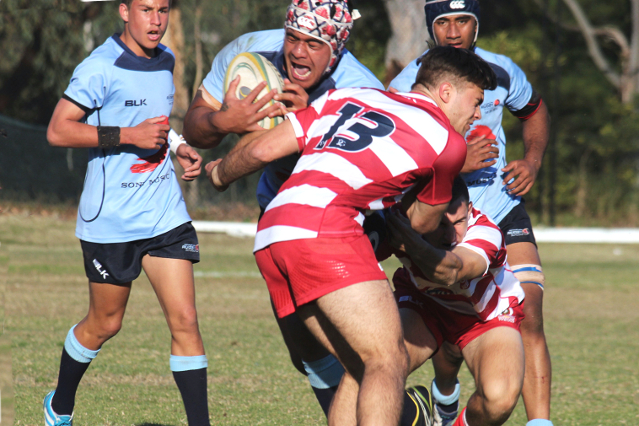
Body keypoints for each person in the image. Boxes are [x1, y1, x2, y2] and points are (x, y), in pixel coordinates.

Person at [206, 46, 496, 426]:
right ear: (445, 92)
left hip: (273, 229)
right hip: (326, 229)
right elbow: (423, 224)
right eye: (475, 102)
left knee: (362, 366)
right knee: (388, 359)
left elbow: (261, 149)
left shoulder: (348, 97)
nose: (477, 115)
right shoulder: (447, 141)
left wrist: (219, 174)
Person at [182, 0, 387, 416]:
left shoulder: (362, 91)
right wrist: (225, 122)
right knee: (304, 349)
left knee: (363, 353)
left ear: (337, 49)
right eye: (293, 38)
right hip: (279, 219)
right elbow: (195, 125)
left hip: (345, 223)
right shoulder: (250, 53)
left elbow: (369, 180)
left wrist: (308, 125)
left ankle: (403, 412)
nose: (297, 52)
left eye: (313, 44)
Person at [43, 0, 209, 425]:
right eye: (146, 9)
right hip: (111, 220)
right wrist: (128, 136)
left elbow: (155, 123)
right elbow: (59, 129)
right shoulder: (99, 67)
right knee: (105, 323)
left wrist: (177, 146)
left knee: (186, 320)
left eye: (163, 10)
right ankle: (60, 404)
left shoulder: (166, 61)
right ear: (123, 10)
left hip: (163, 212)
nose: (156, 20)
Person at [388, 1, 552, 425]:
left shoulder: (501, 70)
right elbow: (400, 156)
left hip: (499, 210)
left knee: (529, 310)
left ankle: (540, 422)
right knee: (445, 317)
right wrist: (457, 165)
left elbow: (534, 111)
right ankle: (444, 393)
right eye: (443, 22)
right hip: (441, 214)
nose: (454, 31)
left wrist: (531, 161)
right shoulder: (410, 83)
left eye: (464, 20)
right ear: (431, 27)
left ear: (476, 24)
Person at [380, 177, 526, 426]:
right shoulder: (400, 219)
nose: (451, 235)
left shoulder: (486, 232)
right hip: (423, 302)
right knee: (377, 368)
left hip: (484, 318)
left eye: (459, 221)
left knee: (499, 400)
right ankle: (416, 413)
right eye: (440, 223)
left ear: (469, 210)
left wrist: (409, 242)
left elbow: (451, 271)